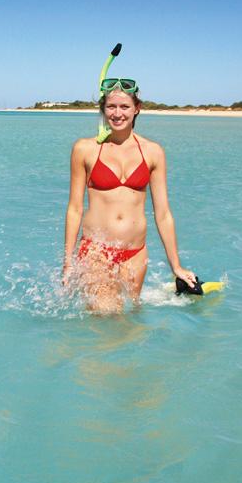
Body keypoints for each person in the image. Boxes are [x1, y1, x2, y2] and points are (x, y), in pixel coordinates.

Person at [62, 79, 196, 314]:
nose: (117, 113)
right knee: (106, 317)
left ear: (137, 109)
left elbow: (163, 214)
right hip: (96, 251)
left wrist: (176, 265)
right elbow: (74, 209)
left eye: (124, 107)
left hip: (135, 254)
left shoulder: (153, 151)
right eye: (111, 107)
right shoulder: (85, 149)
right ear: (103, 109)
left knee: (132, 316)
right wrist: (68, 261)